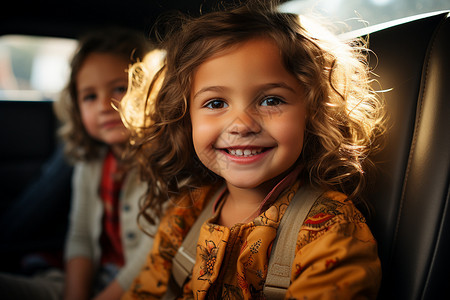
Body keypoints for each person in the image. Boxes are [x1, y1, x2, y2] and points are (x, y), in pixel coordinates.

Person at [120, 1, 386, 299]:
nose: (242, 125)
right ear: (185, 119)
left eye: (271, 100)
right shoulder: (185, 213)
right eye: (216, 103)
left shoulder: (332, 228)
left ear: (312, 111)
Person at [0, 27, 156, 300]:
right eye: (89, 96)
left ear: (151, 93)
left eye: (120, 88)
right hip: (98, 276)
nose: (104, 105)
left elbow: (152, 258)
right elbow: (80, 237)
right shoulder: (91, 162)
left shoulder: (165, 164)